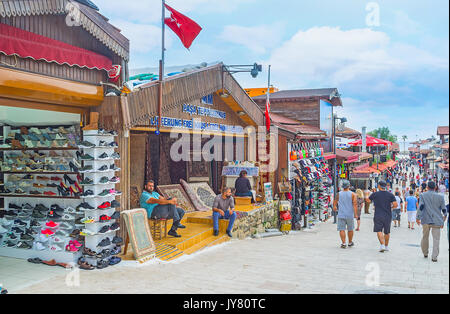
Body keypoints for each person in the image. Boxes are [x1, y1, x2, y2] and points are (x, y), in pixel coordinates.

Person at [416, 181, 447, 262]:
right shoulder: (440, 197)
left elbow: (421, 207)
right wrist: (445, 216)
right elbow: (444, 209)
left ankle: (425, 253)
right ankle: (434, 257)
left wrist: (418, 217)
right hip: (437, 220)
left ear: (427, 187)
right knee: (436, 239)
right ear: (435, 187)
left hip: (426, 219)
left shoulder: (423, 195)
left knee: (425, 236)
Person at [366, 180, 398, 253]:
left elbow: (368, 201)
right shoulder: (390, 195)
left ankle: (382, 245)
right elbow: (395, 205)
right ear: (385, 186)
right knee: (387, 232)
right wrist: (390, 208)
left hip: (378, 214)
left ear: (379, 186)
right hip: (388, 215)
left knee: (379, 230)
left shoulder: (375, 194)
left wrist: (368, 195)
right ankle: (386, 246)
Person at [333, 180, 358, 249]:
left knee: (341, 229)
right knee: (350, 229)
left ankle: (343, 243)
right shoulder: (353, 194)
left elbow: (335, 202)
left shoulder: (339, 194)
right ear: (349, 186)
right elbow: (355, 205)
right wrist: (356, 214)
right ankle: (350, 242)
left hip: (341, 214)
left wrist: (335, 207)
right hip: (350, 214)